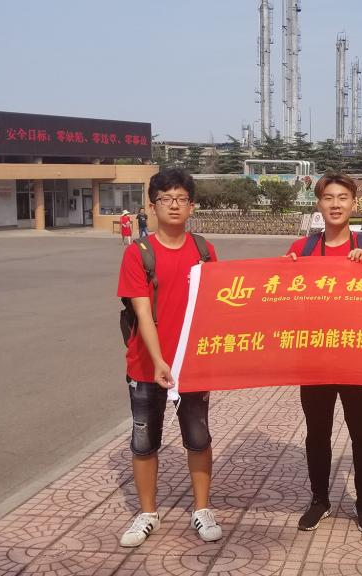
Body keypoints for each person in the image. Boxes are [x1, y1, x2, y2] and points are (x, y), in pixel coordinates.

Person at [116, 168, 222, 547]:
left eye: (181, 199)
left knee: (198, 437)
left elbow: (218, 306)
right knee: (144, 441)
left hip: (192, 366)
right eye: (165, 199)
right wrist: (160, 360)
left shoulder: (205, 251)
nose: (174, 205)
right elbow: (142, 312)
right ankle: (147, 513)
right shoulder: (138, 254)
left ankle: (202, 509)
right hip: (147, 366)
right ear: (152, 206)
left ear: (192, 206)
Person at [284, 172, 362, 534]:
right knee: (317, 433)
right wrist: (285, 273)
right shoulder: (302, 249)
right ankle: (319, 500)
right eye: (328, 197)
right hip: (314, 358)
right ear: (318, 204)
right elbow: (284, 302)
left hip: (359, 358)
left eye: (342, 198)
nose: (335, 204)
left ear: (354, 204)